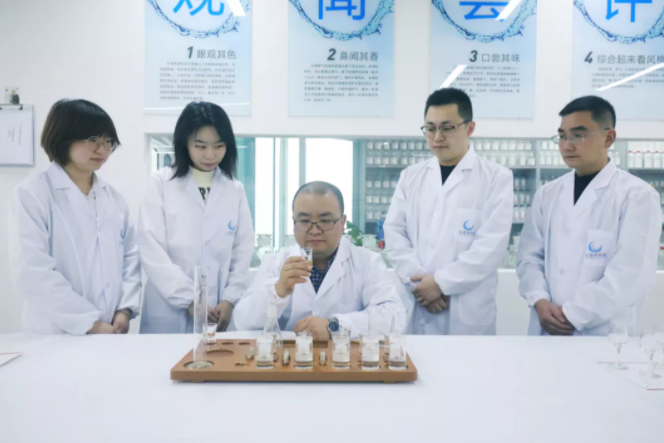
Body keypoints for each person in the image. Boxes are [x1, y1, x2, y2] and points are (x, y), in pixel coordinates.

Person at [517, 96, 661, 336]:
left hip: (603, 334)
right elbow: (529, 258)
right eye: (562, 136)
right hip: (547, 329)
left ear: (609, 138)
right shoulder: (547, 194)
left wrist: (574, 314)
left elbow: (631, 274)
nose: (567, 145)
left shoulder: (637, 196)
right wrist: (539, 299)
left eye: (578, 135)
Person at [384, 88, 513, 335]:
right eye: (430, 128)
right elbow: (394, 232)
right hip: (418, 298)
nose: (437, 137)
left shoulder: (496, 178)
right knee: (414, 360)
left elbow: (490, 247)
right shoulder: (411, 176)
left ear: (470, 128)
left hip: (466, 311)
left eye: (447, 128)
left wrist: (441, 284)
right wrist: (422, 283)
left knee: (467, 361)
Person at [9, 99, 141, 334]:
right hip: (54, 333)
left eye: (108, 141)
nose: (102, 149)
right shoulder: (32, 195)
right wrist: (90, 323)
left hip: (111, 328)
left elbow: (130, 256)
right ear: (63, 138)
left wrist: (125, 309)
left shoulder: (114, 197)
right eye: (92, 140)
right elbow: (32, 272)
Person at [234, 182, 406, 339]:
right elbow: (243, 321)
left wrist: (335, 326)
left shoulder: (367, 262)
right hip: (290, 359)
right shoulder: (275, 263)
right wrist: (278, 290)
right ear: (293, 223)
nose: (314, 230)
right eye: (304, 221)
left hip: (346, 358)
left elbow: (395, 317)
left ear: (342, 223)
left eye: (325, 221)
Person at [138, 102, 254, 334]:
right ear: (185, 143)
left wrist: (230, 300)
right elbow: (152, 251)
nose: (210, 154)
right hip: (168, 311)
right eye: (200, 146)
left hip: (219, 310)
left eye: (219, 146)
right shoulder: (161, 183)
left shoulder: (235, 189)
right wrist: (189, 300)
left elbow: (242, 251)